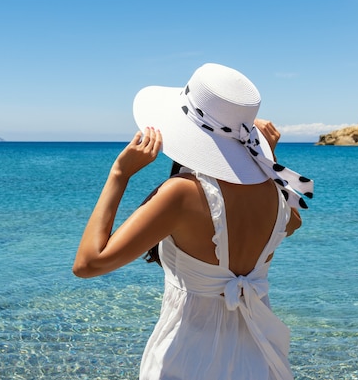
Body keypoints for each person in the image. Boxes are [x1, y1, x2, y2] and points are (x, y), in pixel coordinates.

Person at [73, 63, 313, 380]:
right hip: (257, 354)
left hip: (186, 357)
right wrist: (265, 159)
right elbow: (290, 223)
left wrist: (119, 175)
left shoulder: (182, 194)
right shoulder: (277, 196)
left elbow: (88, 264)